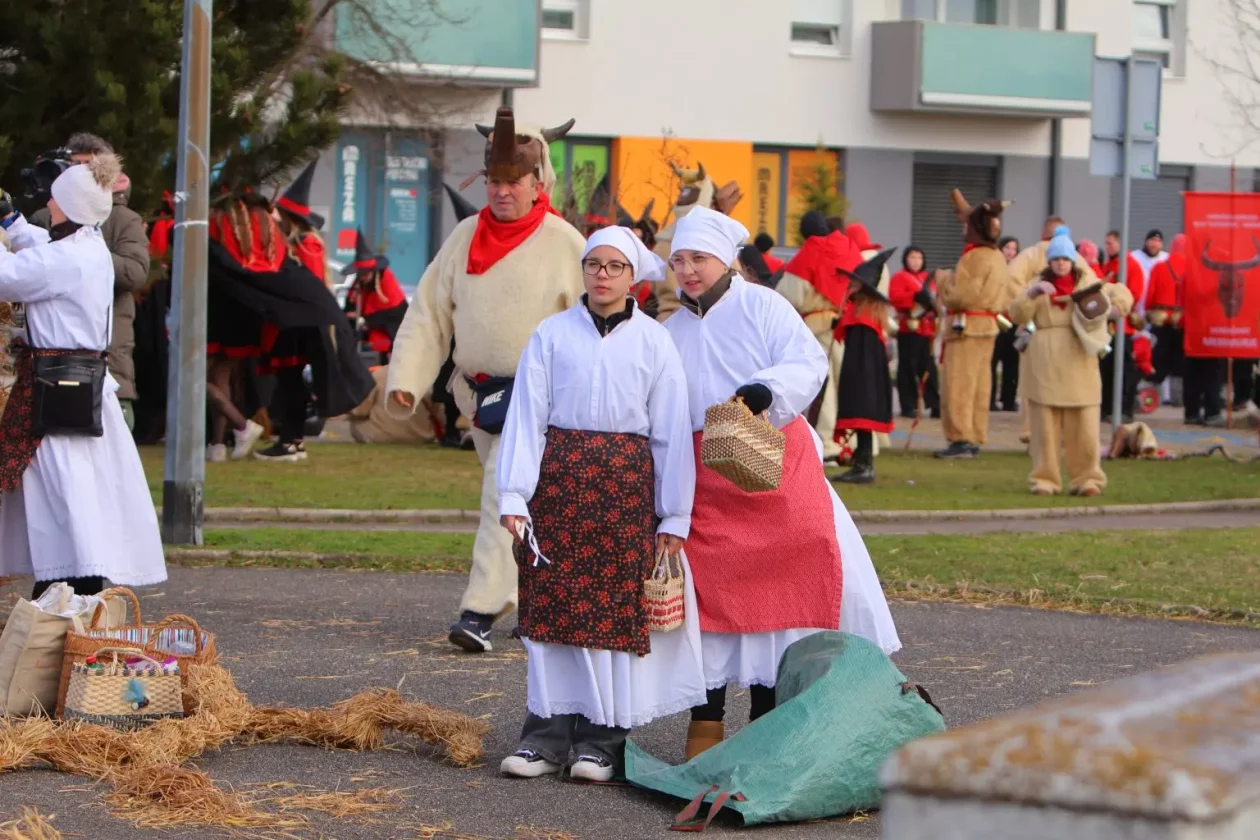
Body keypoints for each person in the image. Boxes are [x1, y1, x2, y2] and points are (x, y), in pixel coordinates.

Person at [660, 206, 900, 759]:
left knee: (779, 597)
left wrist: (765, 390)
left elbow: (806, 360)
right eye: (679, 260)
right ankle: (706, 728)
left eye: (699, 258)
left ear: (725, 259)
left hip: (773, 467)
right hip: (706, 481)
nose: (688, 270)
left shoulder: (763, 305)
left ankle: (766, 729)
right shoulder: (668, 330)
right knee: (713, 604)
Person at [495, 225, 702, 782]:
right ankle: (543, 737)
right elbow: (528, 417)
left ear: (634, 276)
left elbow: (671, 434)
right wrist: (515, 493)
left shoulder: (655, 342)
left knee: (610, 619)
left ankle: (602, 742)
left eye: (614, 266)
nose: (602, 275)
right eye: (593, 264)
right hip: (558, 491)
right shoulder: (551, 334)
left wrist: (674, 513)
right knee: (551, 614)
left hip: (623, 495)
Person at [386, 107, 584, 653]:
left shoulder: (566, 242)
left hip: (538, 398)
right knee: (526, 506)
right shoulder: (466, 235)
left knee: (503, 493)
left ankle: (479, 610)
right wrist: (409, 377)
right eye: (494, 182)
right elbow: (430, 310)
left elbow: (591, 322)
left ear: (534, 181)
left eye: (512, 182)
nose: (501, 192)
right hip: (478, 397)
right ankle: (537, 604)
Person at [0, 156, 166, 598]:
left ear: (70, 207)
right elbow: (43, 249)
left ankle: (67, 592)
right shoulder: (88, 246)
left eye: (54, 200)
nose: (49, 205)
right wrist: (11, 222)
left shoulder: (67, 261)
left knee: (63, 494)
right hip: (80, 386)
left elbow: (8, 276)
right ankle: (71, 589)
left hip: (58, 391)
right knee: (75, 493)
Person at [30, 134, 149, 433]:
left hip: (108, 353)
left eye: (87, 168)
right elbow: (26, 271)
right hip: (50, 361)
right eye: (72, 167)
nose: (78, 176)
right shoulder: (44, 216)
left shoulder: (123, 219)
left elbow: (135, 272)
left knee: (114, 441)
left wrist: (83, 256)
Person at [1008, 227, 1133, 496]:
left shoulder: (1087, 283)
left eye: (1065, 259)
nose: (1061, 264)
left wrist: (1112, 310)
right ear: (1049, 262)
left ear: (1073, 261)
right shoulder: (1037, 286)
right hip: (1045, 362)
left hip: (1079, 360)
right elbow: (1016, 313)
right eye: (1056, 259)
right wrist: (1032, 294)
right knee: (1045, 429)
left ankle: (1088, 479)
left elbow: (1119, 293)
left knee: (1085, 427)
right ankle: (1045, 479)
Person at [776, 211, 863, 462]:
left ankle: (824, 441)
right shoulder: (848, 248)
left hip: (815, 326)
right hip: (844, 322)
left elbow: (789, 296)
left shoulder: (809, 253)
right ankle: (847, 440)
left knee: (821, 386)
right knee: (842, 383)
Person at [257, 160, 327, 462]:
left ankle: (289, 440)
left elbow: (304, 287)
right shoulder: (301, 244)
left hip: (296, 328)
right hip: (294, 326)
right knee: (290, 384)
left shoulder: (307, 245)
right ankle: (292, 440)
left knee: (291, 384)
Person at [935, 190, 1013, 459]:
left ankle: (960, 438)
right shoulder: (998, 257)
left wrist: (943, 280)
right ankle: (976, 433)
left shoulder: (974, 257)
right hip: (987, 328)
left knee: (959, 384)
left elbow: (960, 295)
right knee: (981, 385)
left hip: (966, 327)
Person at [833, 249, 897, 484]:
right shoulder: (864, 315)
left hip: (863, 377)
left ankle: (864, 466)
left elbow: (863, 355)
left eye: (854, 282)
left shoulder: (862, 319)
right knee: (862, 425)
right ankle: (862, 463)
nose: (850, 284)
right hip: (865, 376)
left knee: (862, 421)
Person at [1099, 230, 1146, 423]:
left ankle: (1125, 409)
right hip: (1108, 326)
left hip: (1122, 327)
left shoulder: (1129, 265)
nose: (1107, 246)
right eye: (1106, 243)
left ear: (1119, 243)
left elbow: (1134, 293)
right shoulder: (1110, 264)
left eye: (1110, 243)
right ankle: (1108, 408)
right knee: (1107, 368)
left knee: (1124, 370)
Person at [342, 229, 408, 364]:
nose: (363, 277)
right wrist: (351, 315)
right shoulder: (359, 284)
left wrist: (365, 320)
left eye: (366, 274)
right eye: (361, 274)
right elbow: (350, 305)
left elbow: (393, 312)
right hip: (366, 335)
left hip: (390, 331)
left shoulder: (386, 280)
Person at [888, 246, 939, 419]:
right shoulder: (899, 277)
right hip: (909, 327)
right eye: (912, 257)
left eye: (919, 258)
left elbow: (936, 298)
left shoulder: (928, 278)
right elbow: (894, 297)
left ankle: (934, 404)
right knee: (908, 367)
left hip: (926, 328)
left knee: (929, 367)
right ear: (905, 259)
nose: (916, 261)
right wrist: (914, 297)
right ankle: (908, 405)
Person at [1145, 233, 1187, 410]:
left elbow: (1150, 297)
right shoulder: (1192, 268)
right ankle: (1179, 399)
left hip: (1160, 320)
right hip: (1182, 321)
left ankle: (1151, 399)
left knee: (1158, 360)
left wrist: (1149, 312)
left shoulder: (1159, 267)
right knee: (1180, 361)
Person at [990, 236, 1021, 413]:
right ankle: (990, 399)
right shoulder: (994, 268)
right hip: (996, 318)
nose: (1010, 252)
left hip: (1013, 319)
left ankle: (1009, 400)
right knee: (992, 362)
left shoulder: (1018, 271)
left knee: (1012, 363)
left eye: (1013, 249)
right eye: (1007, 248)